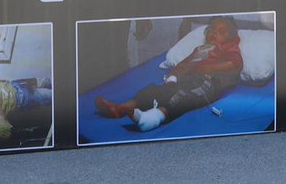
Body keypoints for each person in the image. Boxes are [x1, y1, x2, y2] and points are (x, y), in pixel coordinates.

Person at [94, 16, 243, 132]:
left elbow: (235, 64)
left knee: (182, 98)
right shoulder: (200, 49)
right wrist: (173, 77)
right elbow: (184, 65)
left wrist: (208, 69)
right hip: (185, 80)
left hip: (208, 82)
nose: (214, 33)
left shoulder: (229, 48)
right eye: (211, 29)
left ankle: (153, 117)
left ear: (232, 38)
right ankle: (121, 108)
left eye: (221, 31)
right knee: (154, 91)